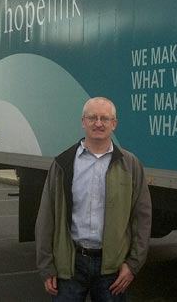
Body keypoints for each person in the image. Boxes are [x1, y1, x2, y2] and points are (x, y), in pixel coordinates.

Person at [35, 97, 152, 301]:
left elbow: (142, 218)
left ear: (114, 124)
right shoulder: (63, 164)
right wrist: (47, 266)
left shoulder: (131, 165)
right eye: (92, 117)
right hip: (70, 266)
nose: (98, 123)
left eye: (105, 118)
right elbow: (46, 217)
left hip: (112, 270)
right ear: (83, 121)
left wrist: (133, 264)